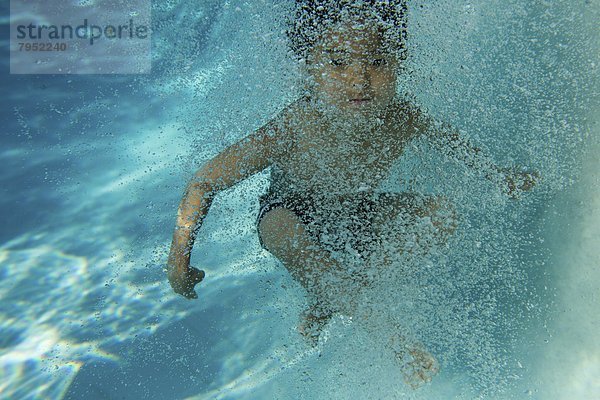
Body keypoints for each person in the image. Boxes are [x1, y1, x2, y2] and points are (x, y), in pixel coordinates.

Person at [167, 0, 537, 388]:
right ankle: (397, 343)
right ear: (308, 66)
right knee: (280, 229)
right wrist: (178, 263)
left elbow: (454, 144)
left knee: (440, 215)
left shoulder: (403, 116)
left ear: (401, 60)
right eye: (339, 62)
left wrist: (501, 177)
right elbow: (204, 182)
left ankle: (332, 298)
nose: (359, 79)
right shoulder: (295, 125)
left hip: (355, 211)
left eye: (377, 62)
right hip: (287, 212)